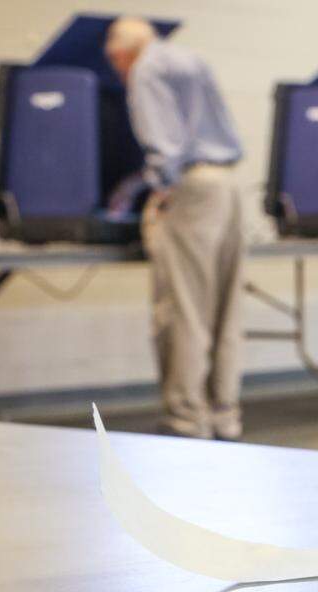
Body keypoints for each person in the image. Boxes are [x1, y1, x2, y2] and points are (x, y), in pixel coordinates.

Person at [105, 17, 246, 438]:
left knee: (184, 309)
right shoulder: (190, 59)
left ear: (120, 54)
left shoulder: (145, 69)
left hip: (189, 190)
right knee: (226, 310)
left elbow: (163, 143)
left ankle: (186, 419)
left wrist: (159, 187)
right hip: (226, 185)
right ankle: (225, 415)